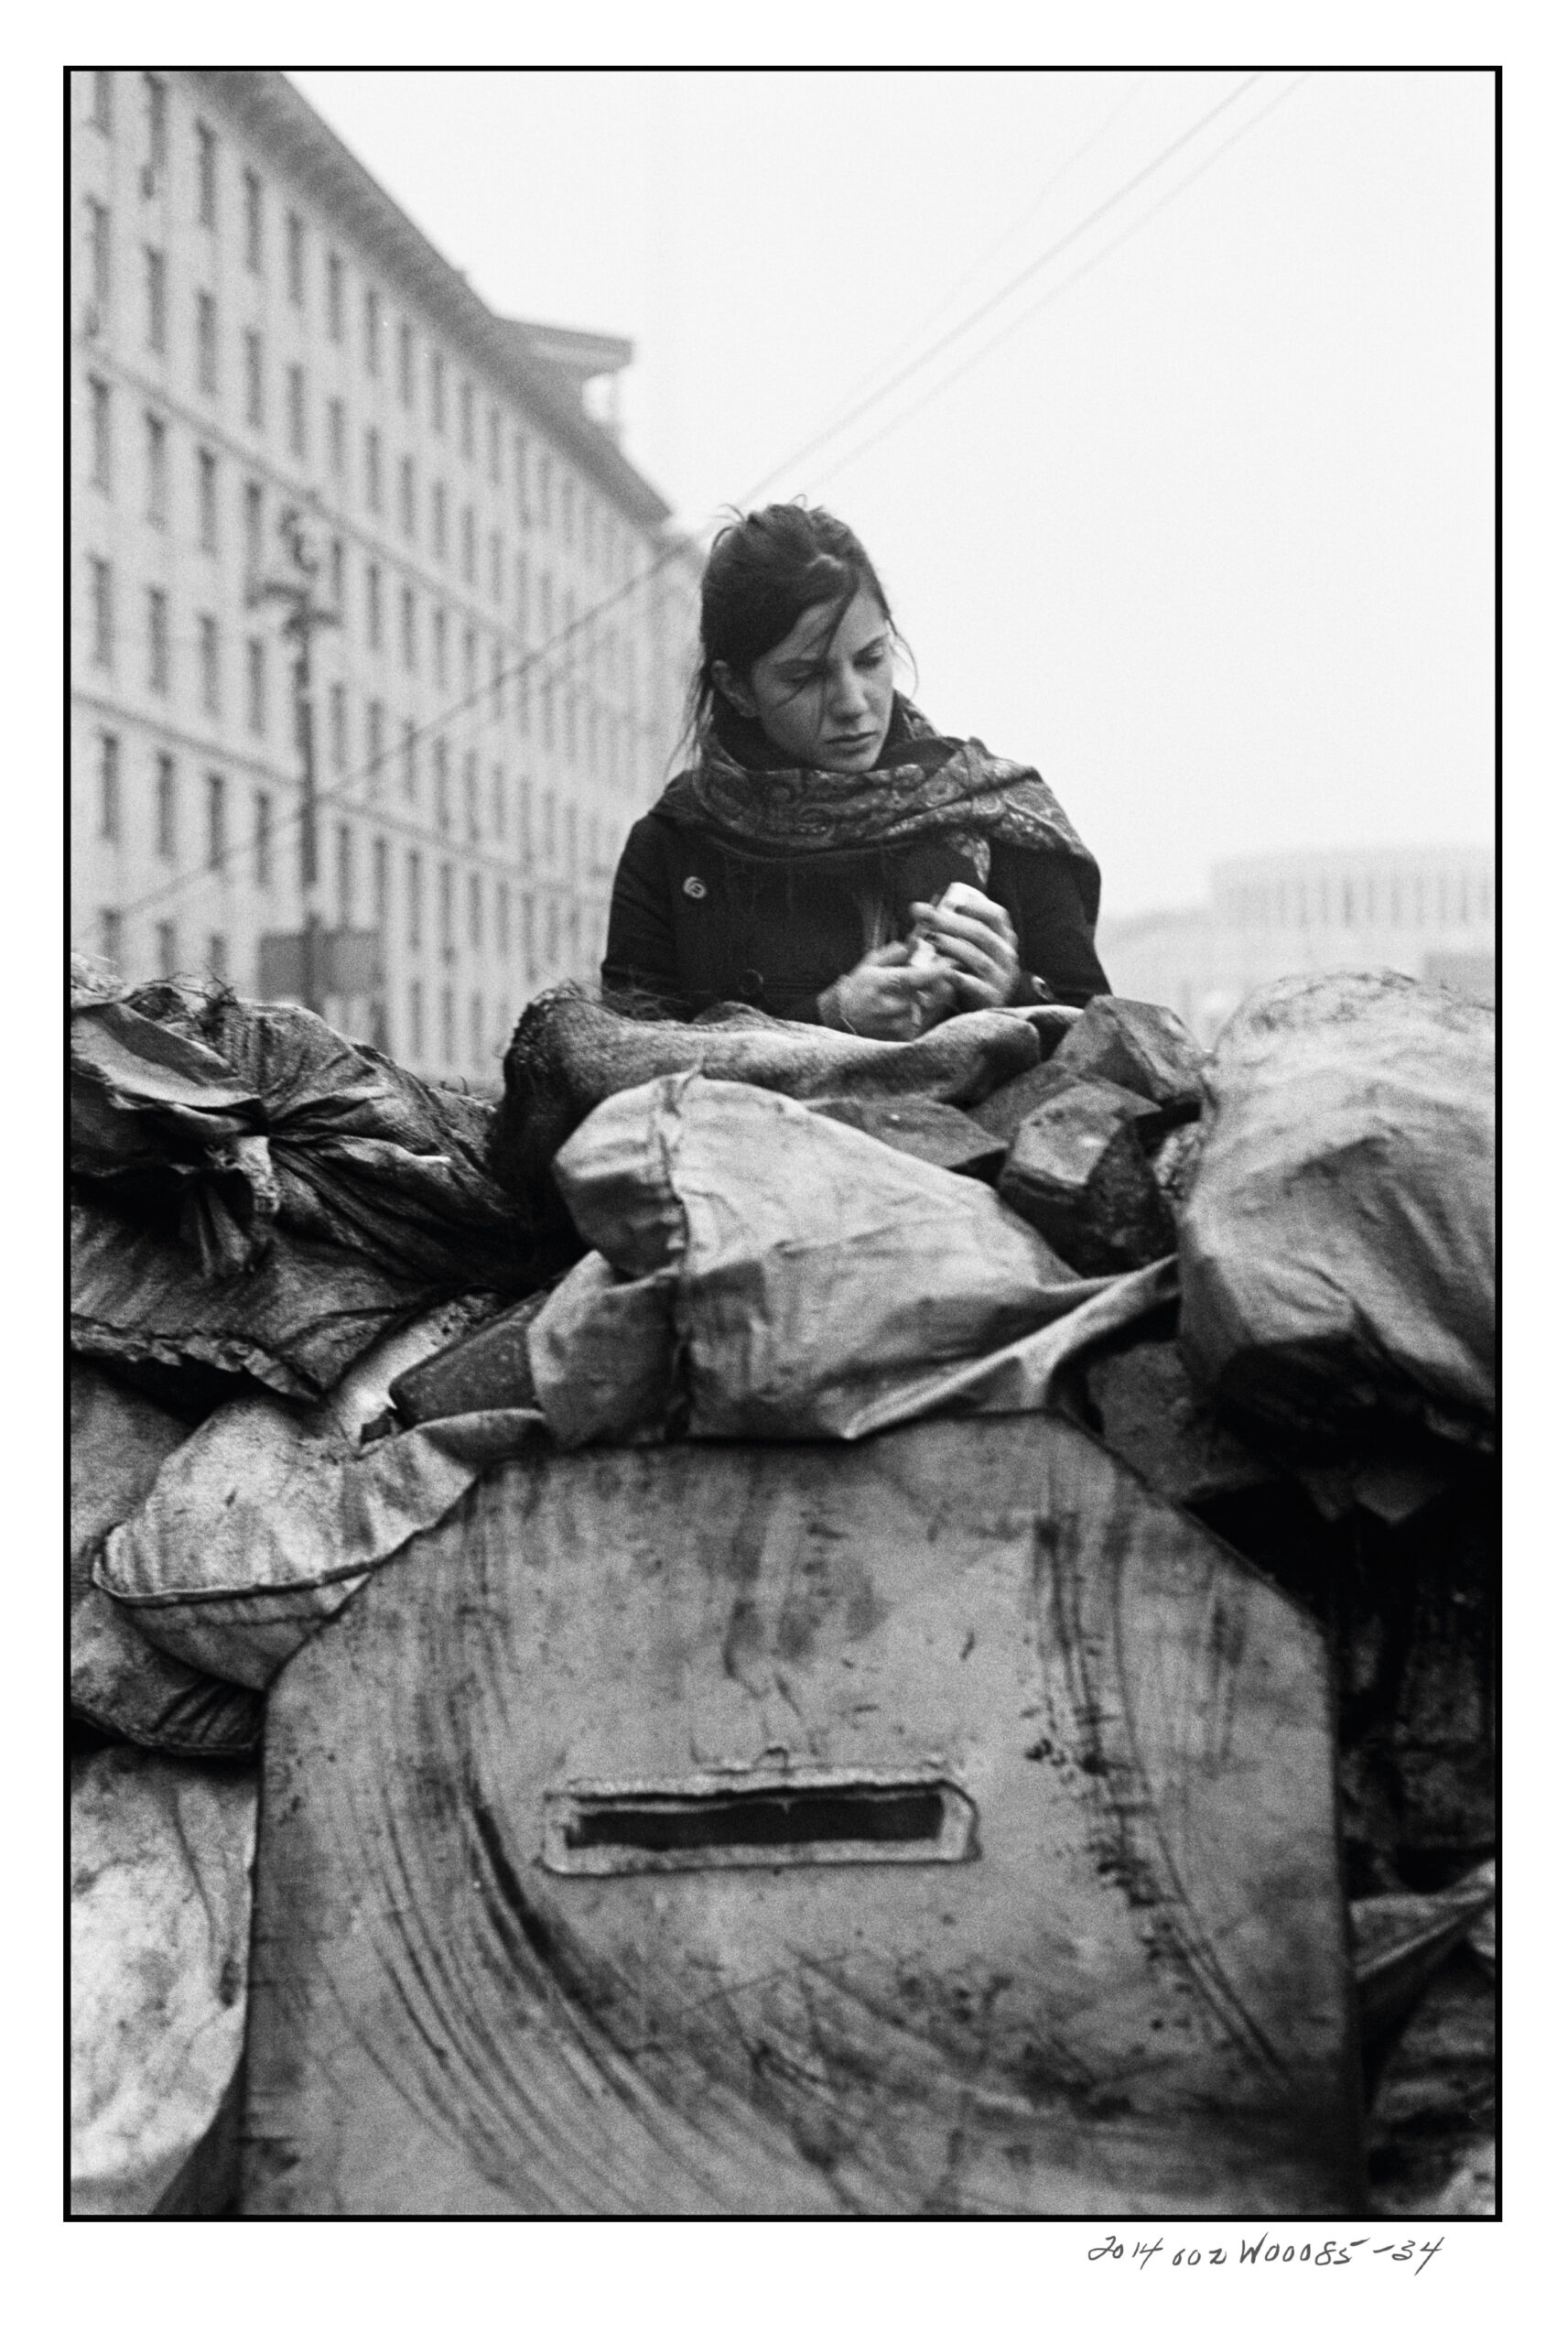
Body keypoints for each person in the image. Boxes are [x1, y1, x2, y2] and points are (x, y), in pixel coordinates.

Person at [601, 503, 1109, 1038]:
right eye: (806, 676)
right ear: (737, 689)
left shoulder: (995, 813)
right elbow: (627, 1069)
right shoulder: (674, 849)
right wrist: (826, 1022)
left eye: (869, 660)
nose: (853, 702)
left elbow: (1110, 1055)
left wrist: (1015, 994)